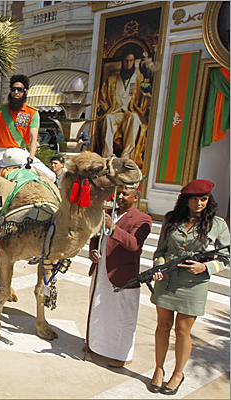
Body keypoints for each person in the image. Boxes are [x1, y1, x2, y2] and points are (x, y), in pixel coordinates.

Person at [148, 179, 229, 395]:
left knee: (183, 331)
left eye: (203, 199)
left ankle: (178, 373)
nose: (199, 203)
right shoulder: (171, 220)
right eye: (194, 199)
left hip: (194, 284)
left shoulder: (217, 224)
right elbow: (160, 251)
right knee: (163, 326)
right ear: (185, 200)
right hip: (167, 280)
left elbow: (226, 257)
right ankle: (158, 369)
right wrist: (159, 267)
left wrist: (206, 267)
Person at [0, 74, 56, 233]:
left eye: (20, 90)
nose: (16, 92)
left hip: (21, 152)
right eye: (14, 89)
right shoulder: (0, 110)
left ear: (25, 92)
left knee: (51, 176)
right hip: (0, 152)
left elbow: (34, 137)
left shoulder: (32, 113)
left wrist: (31, 156)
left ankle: (56, 215)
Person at [86, 186, 152, 368]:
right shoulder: (108, 213)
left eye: (125, 194)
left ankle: (122, 355)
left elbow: (134, 244)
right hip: (101, 270)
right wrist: (93, 250)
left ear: (136, 197)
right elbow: (95, 236)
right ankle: (95, 344)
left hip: (122, 274)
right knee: (99, 309)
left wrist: (113, 227)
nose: (120, 197)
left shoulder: (142, 219)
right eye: (119, 193)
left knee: (122, 316)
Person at [98, 50, 148, 160]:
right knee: (107, 118)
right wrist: (103, 108)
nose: (128, 64)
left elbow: (144, 100)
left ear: (133, 62)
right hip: (114, 112)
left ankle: (127, 157)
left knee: (134, 118)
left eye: (131, 61)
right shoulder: (111, 80)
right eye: (126, 61)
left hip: (129, 113)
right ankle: (107, 155)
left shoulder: (138, 80)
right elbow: (102, 98)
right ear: (122, 62)